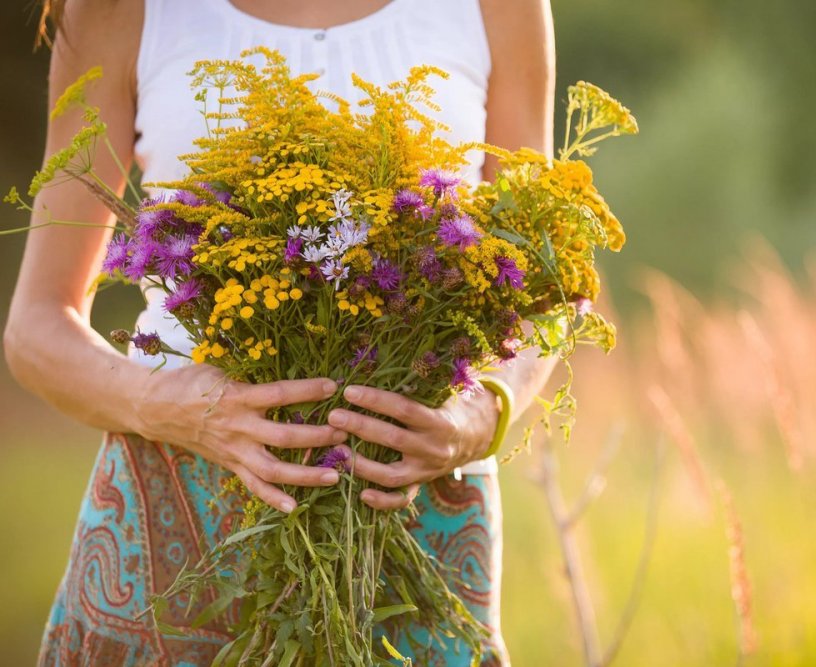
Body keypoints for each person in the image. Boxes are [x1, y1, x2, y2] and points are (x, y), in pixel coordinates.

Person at [4, 0, 559, 664]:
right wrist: (181, 407)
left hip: (419, 507)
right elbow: (36, 327)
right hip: (179, 503)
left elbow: (545, 290)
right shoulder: (119, 10)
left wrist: (478, 413)